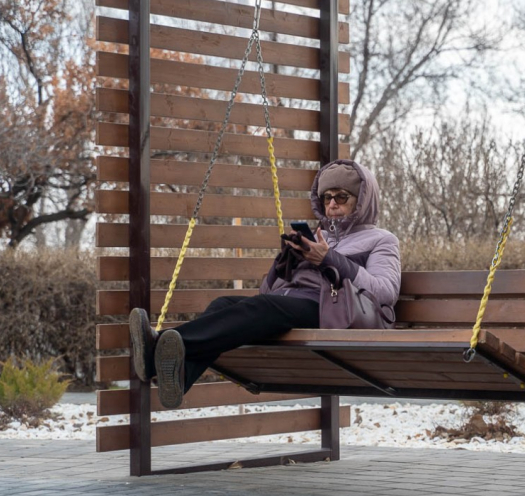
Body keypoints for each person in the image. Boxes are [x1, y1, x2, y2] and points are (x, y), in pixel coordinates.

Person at [129, 159, 401, 409]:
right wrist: (288, 259)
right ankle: (180, 377)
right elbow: (270, 291)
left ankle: (159, 344)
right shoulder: (319, 235)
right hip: (291, 303)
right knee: (223, 304)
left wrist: (329, 258)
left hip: (332, 310)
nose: (332, 204)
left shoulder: (381, 240)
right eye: (327, 197)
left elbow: (385, 292)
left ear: (362, 201)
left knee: (265, 307)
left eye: (341, 197)